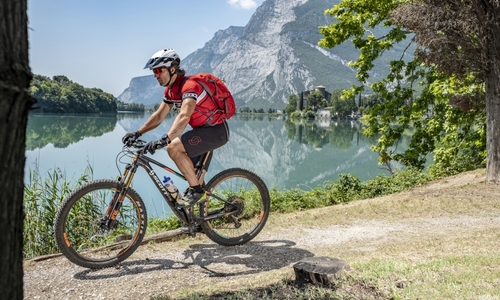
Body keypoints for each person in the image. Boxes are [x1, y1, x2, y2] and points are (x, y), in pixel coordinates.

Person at [122, 48, 230, 207]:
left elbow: (184, 116)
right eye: (154, 71)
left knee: (173, 149)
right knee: (194, 176)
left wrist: (166, 139)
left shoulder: (189, 86)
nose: (155, 75)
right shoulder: (171, 91)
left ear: (172, 69)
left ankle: (197, 192)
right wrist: (137, 133)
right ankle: (201, 220)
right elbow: (159, 115)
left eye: (159, 70)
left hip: (215, 131)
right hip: (201, 132)